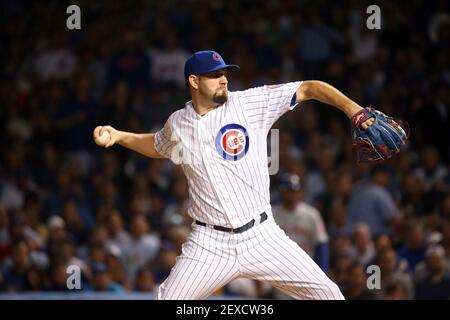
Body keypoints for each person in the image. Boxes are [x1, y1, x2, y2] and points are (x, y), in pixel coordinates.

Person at [93, 50, 375, 300]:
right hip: (209, 243)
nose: (224, 79)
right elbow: (157, 145)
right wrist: (119, 136)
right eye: (215, 75)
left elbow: (309, 88)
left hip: (261, 235)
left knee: (329, 295)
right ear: (194, 81)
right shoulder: (178, 122)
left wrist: (354, 110)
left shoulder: (247, 104)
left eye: (225, 73)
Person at [272, 173, 330, 272]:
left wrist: (323, 271)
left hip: (306, 267)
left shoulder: (311, 214)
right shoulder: (272, 214)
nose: (291, 195)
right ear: (281, 192)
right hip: (278, 268)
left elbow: (321, 244)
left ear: (300, 193)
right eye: (288, 191)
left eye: (294, 191)